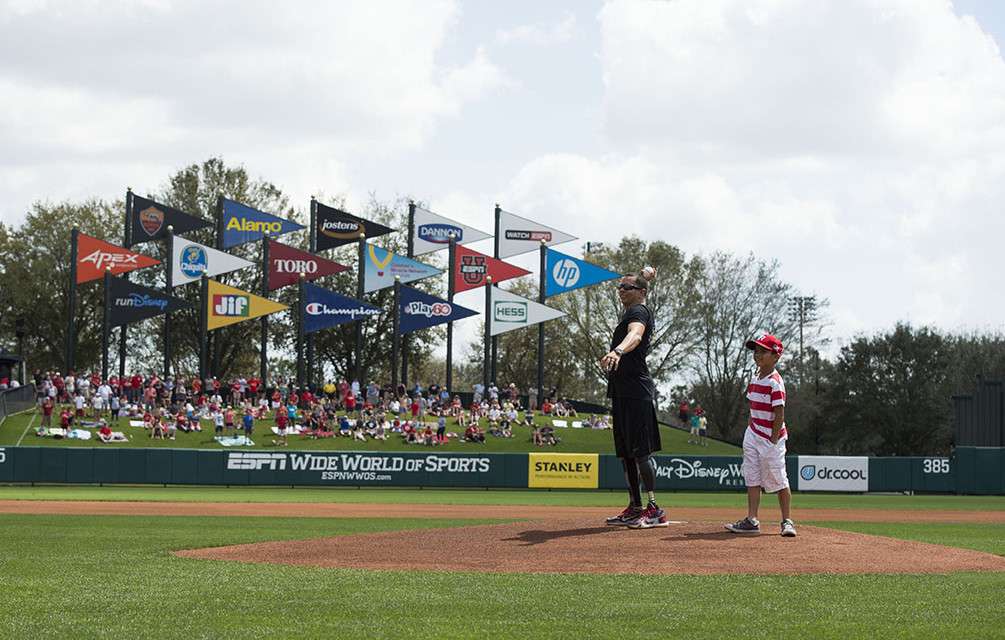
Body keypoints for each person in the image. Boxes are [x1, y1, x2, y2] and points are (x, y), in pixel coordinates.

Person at [600, 267, 668, 529]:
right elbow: (639, 282)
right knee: (626, 453)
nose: (620, 290)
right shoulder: (633, 307)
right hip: (621, 390)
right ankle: (635, 506)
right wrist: (643, 276)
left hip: (636, 391)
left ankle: (654, 509)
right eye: (619, 287)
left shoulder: (639, 312)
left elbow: (636, 334)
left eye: (625, 288)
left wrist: (617, 350)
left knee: (641, 453)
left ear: (640, 293)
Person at [725, 334, 796, 537]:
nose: (758, 354)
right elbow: (752, 406)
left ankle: (787, 521)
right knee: (752, 476)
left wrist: (773, 439)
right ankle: (752, 519)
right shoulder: (755, 377)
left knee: (779, 478)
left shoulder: (775, 382)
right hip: (753, 434)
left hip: (771, 438)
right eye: (756, 351)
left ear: (776, 356)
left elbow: (779, 412)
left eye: (763, 351)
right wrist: (750, 428)